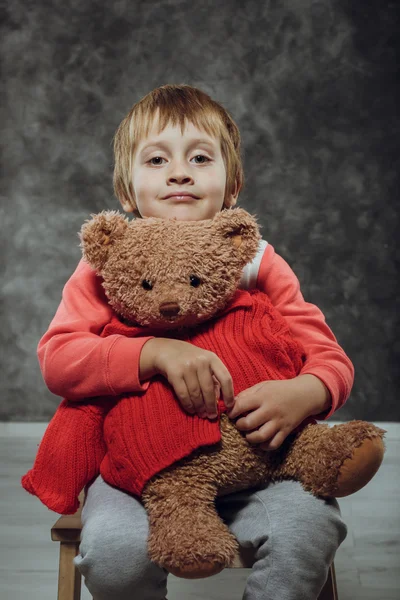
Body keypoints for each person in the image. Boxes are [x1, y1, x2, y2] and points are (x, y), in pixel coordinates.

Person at [37, 84, 351, 600]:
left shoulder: (255, 261)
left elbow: (328, 355)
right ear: (125, 190)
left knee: (308, 531)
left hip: (259, 465)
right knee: (114, 555)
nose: (179, 172)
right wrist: (151, 352)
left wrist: (309, 392)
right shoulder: (106, 264)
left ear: (232, 186)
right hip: (139, 474)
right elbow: (59, 359)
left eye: (200, 158)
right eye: (157, 159)